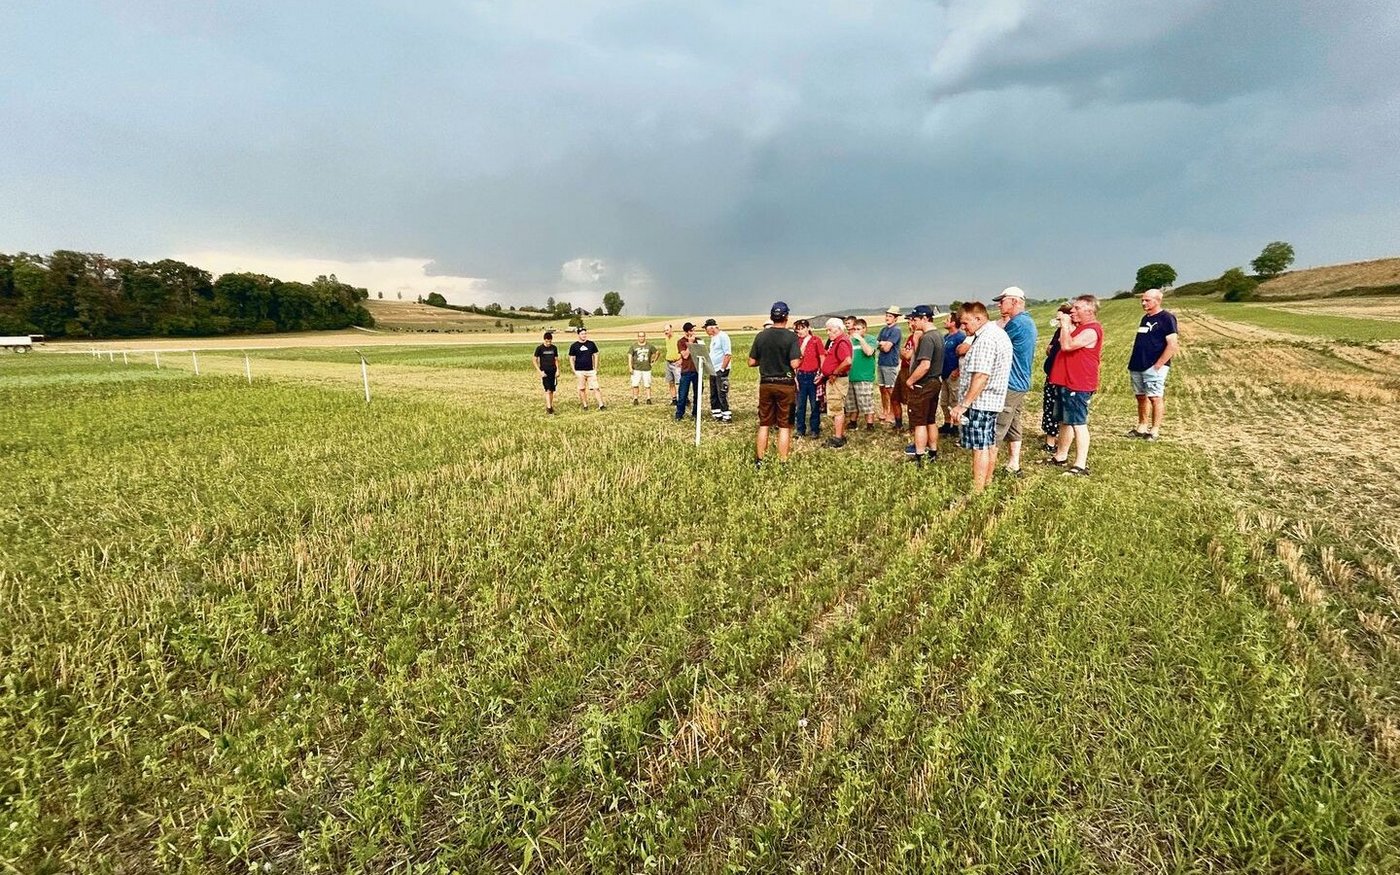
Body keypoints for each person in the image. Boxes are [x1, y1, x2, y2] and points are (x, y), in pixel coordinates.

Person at [949, 302, 1013, 493]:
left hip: (981, 402)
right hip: (989, 401)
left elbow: (981, 376)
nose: (963, 327)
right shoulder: (993, 334)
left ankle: (977, 491)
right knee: (988, 443)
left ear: (978, 318)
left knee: (980, 447)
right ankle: (987, 483)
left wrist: (963, 405)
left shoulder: (986, 339)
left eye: (965, 322)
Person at [1044, 295, 1103, 476]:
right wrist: (1067, 325)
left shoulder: (1092, 330)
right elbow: (1062, 343)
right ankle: (1060, 456)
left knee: (1078, 423)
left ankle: (1080, 464)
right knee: (1065, 421)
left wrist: (1064, 324)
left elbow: (1067, 346)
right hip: (1065, 382)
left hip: (1078, 383)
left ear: (1089, 311)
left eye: (1077, 308)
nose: (1072, 311)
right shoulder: (1079, 328)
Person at [748, 301, 802, 467]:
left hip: (766, 384)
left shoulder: (761, 336)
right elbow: (794, 364)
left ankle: (760, 460)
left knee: (764, 423)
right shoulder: (791, 337)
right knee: (784, 425)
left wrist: (765, 361)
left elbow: (751, 362)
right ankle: (783, 461)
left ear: (772, 316)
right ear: (786, 317)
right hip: (785, 384)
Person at [993, 286, 1038, 476]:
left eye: (1002, 301)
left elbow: (995, 343)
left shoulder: (1017, 324)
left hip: (1010, 383)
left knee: (997, 426)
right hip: (1020, 382)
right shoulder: (1026, 321)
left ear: (1014, 301)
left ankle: (986, 471)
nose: (999, 305)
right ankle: (1014, 464)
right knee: (1013, 423)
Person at [1126, 288, 1179, 441]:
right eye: (1142, 300)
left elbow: (1172, 344)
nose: (1143, 303)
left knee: (1155, 397)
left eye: (1147, 300)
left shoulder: (1167, 318)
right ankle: (1142, 426)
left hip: (1153, 365)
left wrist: (1159, 365)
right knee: (1140, 397)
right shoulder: (1145, 318)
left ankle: (1154, 430)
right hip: (1137, 364)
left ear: (1158, 300)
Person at [902, 305, 943, 465]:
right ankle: (933, 453)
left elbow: (924, 365)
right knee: (930, 419)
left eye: (915, 319)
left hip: (924, 384)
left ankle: (919, 457)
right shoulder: (938, 335)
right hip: (935, 382)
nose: (913, 322)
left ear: (925, 318)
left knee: (919, 422)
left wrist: (910, 380)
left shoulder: (927, 337)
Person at [1040, 303, 1073, 452]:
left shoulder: (1070, 333)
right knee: (1049, 407)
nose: (1058, 322)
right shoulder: (1058, 332)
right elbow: (1050, 349)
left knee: (1056, 409)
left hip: (1062, 377)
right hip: (1051, 374)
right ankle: (1050, 440)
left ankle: (1055, 442)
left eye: (1060, 318)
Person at [820, 317, 853, 448]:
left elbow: (847, 361)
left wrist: (834, 372)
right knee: (836, 407)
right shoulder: (837, 341)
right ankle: (840, 434)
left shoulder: (841, 342)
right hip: (835, 378)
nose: (828, 333)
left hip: (837, 380)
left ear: (838, 329)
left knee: (837, 408)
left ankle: (838, 438)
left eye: (830, 330)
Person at [793, 319, 825, 439]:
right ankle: (800, 429)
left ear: (808, 328)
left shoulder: (816, 340)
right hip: (800, 375)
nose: (800, 331)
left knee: (814, 404)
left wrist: (821, 373)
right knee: (800, 405)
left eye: (802, 328)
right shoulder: (796, 341)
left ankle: (814, 429)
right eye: (798, 329)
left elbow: (822, 356)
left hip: (813, 375)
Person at [845, 318, 878, 431]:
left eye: (858, 329)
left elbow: (869, 352)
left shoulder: (871, 339)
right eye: (854, 329)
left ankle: (870, 424)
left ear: (865, 329)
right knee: (852, 402)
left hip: (864, 376)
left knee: (866, 401)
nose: (856, 331)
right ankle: (853, 422)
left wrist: (861, 340)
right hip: (850, 375)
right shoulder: (849, 340)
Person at [938, 313, 965, 435]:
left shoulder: (960, 337)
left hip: (953, 374)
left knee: (954, 400)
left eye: (948, 320)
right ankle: (947, 423)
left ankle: (956, 426)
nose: (945, 322)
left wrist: (958, 370)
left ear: (954, 323)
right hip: (944, 373)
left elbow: (964, 355)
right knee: (944, 401)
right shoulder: (946, 337)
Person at [703, 318, 733, 422]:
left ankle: (726, 415)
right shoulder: (713, 338)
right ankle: (717, 413)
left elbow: (728, 354)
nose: (706, 332)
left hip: (720, 369)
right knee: (713, 392)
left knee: (721, 392)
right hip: (713, 369)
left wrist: (722, 368)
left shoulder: (723, 336)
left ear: (711, 328)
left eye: (706, 329)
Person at [876, 305, 902, 426]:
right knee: (882, 388)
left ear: (895, 318)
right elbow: (877, 344)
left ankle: (892, 413)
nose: (887, 318)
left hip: (890, 363)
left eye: (890, 316)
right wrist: (882, 344)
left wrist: (882, 344)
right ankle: (885, 410)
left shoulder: (896, 330)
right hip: (881, 362)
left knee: (890, 389)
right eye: (887, 315)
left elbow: (886, 348)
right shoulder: (883, 330)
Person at [569, 327, 606, 410]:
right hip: (580, 371)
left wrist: (595, 368)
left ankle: (601, 405)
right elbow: (571, 358)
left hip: (590, 370)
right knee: (582, 388)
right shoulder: (574, 346)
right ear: (578, 335)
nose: (584, 335)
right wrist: (574, 370)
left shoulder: (591, 344)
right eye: (582, 334)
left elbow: (596, 355)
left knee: (596, 388)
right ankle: (585, 405)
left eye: (585, 333)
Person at [674, 322, 699, 420]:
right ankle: (679, 414)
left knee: (697, 394)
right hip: (686, 371)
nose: (693, 332)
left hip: (697, 371)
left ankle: (696, 413)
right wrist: (690, 344)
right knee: (683, 394)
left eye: (693, 330)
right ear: (686, 332)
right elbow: (685, 355)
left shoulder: (699, 341)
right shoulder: (681, 342)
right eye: (691, 330)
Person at [627, 331, 660, 405]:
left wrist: (653, 361)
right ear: (638, 337)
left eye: (643, 336)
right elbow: (630, 357)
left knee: (647, 384)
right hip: (636, 368)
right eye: (640, 336)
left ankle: (648, 398)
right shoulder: (633, 346)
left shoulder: (649, 346)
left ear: (645, 337)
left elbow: (657, 352)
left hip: (647, 369)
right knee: (635, 384)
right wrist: (630, 367)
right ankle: (635, 398)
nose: (641, 338)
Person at [532, 330, 561, 414]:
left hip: (553, 371)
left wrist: (558, 370)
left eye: (550, 341)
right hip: (545, 371)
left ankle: (550, 405)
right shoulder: (539, 348)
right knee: (547, 390)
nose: (548, 343)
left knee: (552, 390)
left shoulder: (554, 348)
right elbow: (534, 360)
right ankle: (549, 408)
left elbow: (556, 359)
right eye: (547, 341)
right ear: (544, 340)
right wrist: (539, 371)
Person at [662, 323, 681, 404]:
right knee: (671, 382)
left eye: (667, 330)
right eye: (665, 330)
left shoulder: (677, 338)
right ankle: (674, 399)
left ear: (671, 329)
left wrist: (680, 359)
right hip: (668, 362)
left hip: (676, 362)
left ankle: (683, 398)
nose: (666, 332)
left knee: (680, 382)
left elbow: (682, 349)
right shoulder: (666, 339)